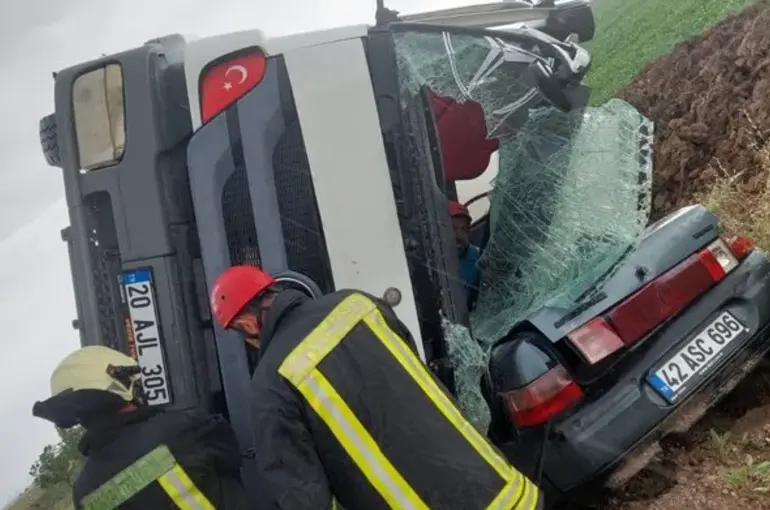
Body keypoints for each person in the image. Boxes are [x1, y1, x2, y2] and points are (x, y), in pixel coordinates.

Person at [210, 264, 543, 510]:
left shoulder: (271, 384)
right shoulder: (357, 304)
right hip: (506, 492)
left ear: (246, 323)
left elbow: (304, 497)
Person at [32, 345, 248, 510]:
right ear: (116, 387)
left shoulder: (83, 492)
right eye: (131, 382)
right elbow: (234, 455)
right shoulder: (181, 429)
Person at [449, 200, 482, 309]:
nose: (459, 235)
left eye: (464, 229)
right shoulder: (433, 261)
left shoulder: (479, 258)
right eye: (453, 229)